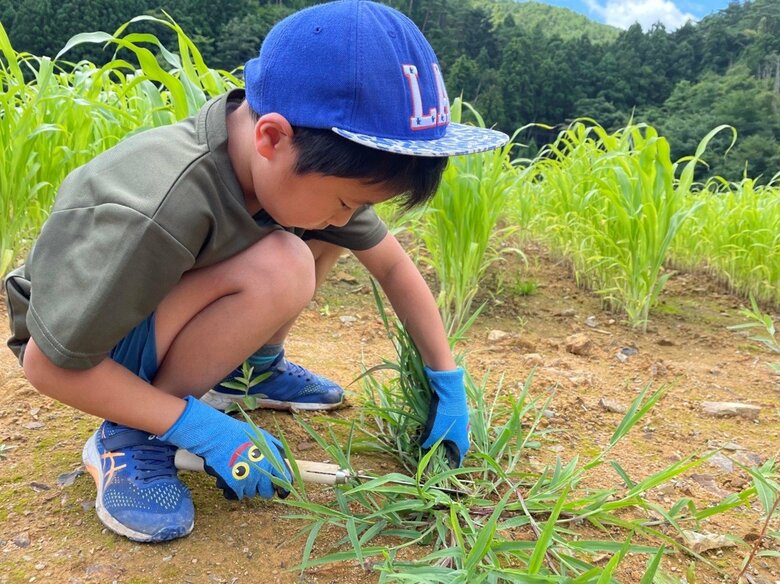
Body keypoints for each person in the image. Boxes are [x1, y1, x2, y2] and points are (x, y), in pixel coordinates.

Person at [3, 0, 508, 543]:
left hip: (153, 307)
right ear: (272, 137)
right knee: (286, 261)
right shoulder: (162, 207)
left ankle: (251, 372)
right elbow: (48, 365)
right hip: (83, 341)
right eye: (345, 200)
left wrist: (446, 381)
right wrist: (200, 429)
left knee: (313, 235)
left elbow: (392, 267)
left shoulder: (287, 163)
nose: (348, 217)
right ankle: (131, 436)